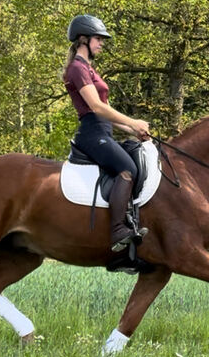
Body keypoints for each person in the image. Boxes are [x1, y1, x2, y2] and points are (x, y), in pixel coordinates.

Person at [63, 14, 150, 252]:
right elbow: (96, 107)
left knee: (137, 159)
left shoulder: (90, 69)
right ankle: (118, 231)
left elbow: (107, 109)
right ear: (83, 39)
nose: (102, 43)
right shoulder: (77, 69)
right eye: (98, 39)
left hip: (105, 131)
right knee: (127, 169)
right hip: (92, 134)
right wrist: (133, 121)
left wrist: (133, 129)